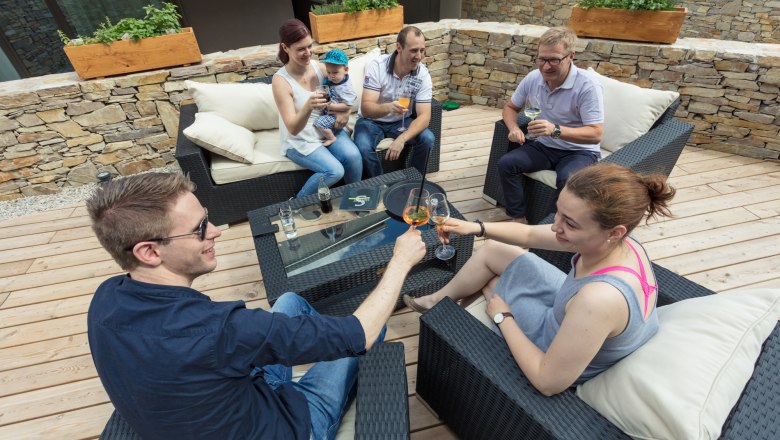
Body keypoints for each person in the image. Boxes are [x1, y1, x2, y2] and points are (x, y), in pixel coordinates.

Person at [86, 172, 426, 439]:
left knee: (290, 300)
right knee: (374, 325)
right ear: (149, 252)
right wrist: (400, 261)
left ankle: (311, 346)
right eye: (200, 228)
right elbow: (361, 333)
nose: (216, 232)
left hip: (231, 399)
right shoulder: (220, 328)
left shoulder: (106, 297)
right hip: (288, 427)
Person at [403, 163, 675, 396]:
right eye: (558, 211)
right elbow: (531, 236)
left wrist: (502, 316)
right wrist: (476, 228)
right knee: (494, 251)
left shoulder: (600, 299)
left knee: (491, 285)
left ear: (615, 232)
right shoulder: (625, 243)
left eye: (570, 223)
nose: (556, 226)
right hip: (571, 312)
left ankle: (477, 300)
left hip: (556, 346)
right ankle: (436, 300)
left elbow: (548, 383)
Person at [499, 26, 604, 224]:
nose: (546, 67)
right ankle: (518, 218)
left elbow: (596, 133)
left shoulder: (587, 85)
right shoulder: (533, 78)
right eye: (542, 59)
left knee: (567, 180)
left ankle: (549, 226)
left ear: (570, 56)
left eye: (554, 60)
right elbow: (510, 108)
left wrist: (555, 130)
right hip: (545, 146)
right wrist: (513, 128)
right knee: (506, 163)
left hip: (579, 151)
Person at [272, 19, 362, 198]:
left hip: (326, 128)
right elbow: (293, 128)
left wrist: (343, 112)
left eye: (309, 46)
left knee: (354, 157)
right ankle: (297, 203)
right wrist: (307, 106)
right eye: (300, 49)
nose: (308, 53)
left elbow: (344, 91)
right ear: (285, 48)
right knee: (334, 171)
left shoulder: (321, 67)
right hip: (299, 140)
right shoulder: (280, 81)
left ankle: (354, 199)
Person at [354, 25, 435, 178]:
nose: (419, 56)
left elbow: (425, 117)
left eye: (422, 50)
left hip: (401, 121)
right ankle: (379, 184)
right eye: (413, 50)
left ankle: (414, 180)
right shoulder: (377, 67)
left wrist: (401, 139)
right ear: (399, 47)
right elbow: (366, 108)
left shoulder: (422, 74)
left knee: (428, 138)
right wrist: (388, 108)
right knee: (363, 147)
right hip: (371, 121)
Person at [313, 48, 357, 147]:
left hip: (335, 113)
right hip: (333, 109)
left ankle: (331, 137)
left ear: (346, 70)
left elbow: (348, 105)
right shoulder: (336, 80)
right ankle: (349, 129)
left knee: (318, 123)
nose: (331, 76)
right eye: (328, 72)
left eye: (335, 73)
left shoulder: (345, 87)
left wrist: (331, 106)